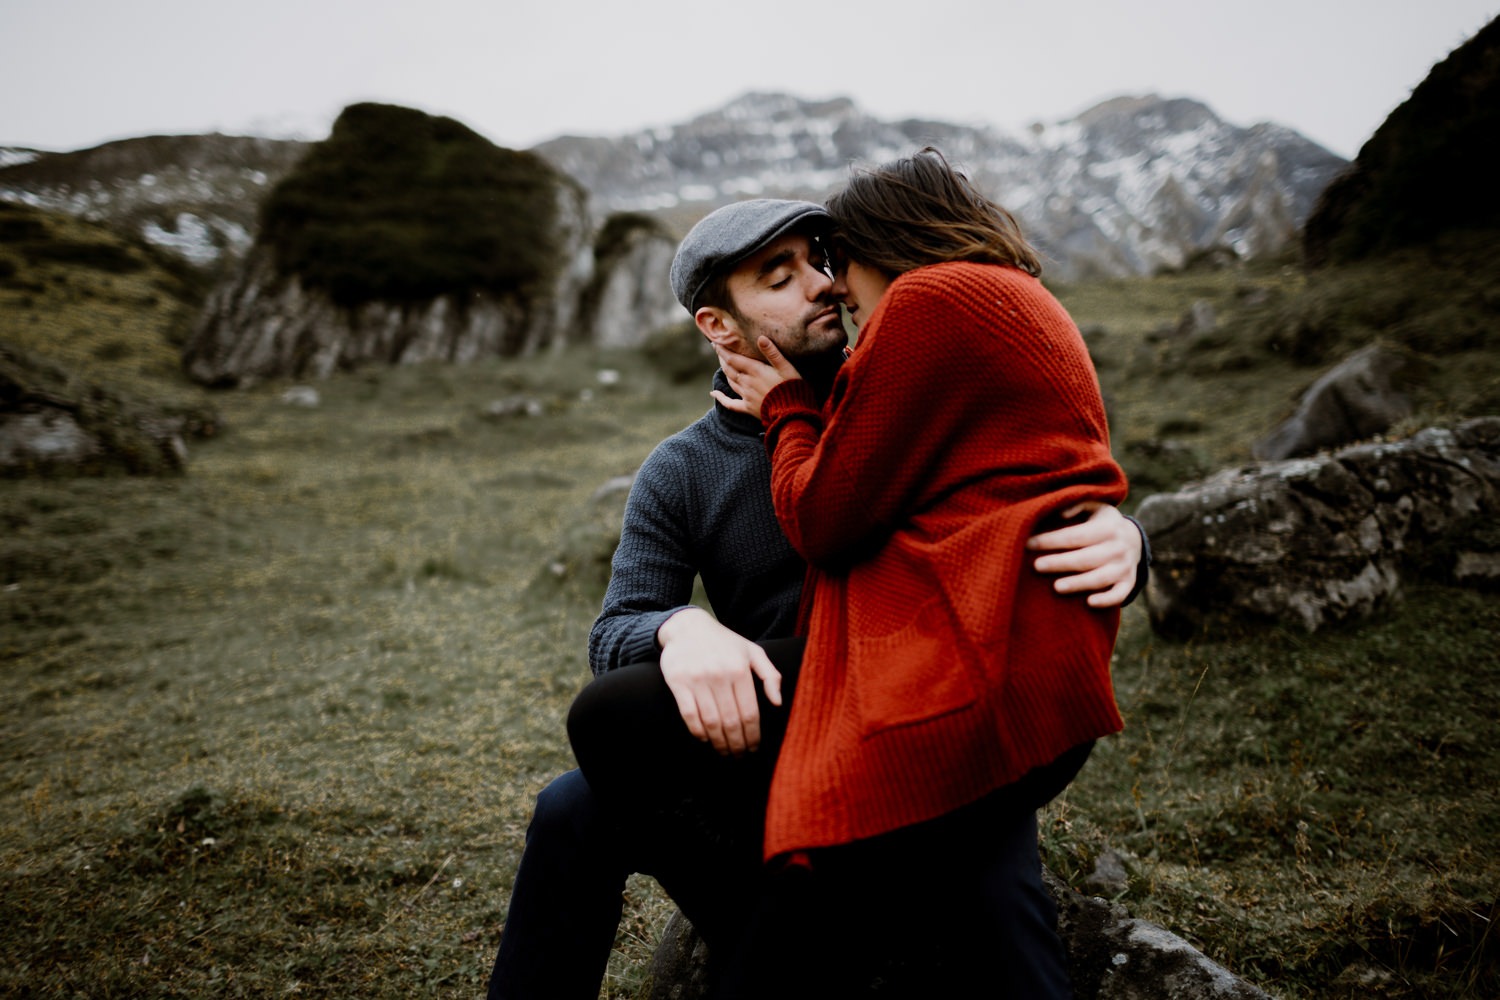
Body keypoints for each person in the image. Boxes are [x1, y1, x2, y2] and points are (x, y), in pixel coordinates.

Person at [487, 198, 1148, 999]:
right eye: (781, 276)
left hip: (932, 728)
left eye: (820, 262)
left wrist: (1124, 538)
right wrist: (680, 630)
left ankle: (802, 946)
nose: (824, 286)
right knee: (571, 809)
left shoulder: (907, 393)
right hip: (773, 745)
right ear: (718, 325)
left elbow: (1031, 483)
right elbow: (615, 631)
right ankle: (795, 931)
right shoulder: (682, 469)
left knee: (996, 897)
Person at [707, 149, 1129, 996]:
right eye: (797, 272)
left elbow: (825, 517)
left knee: (806, 923)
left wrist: (785, 408)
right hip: (1009, 633)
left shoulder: (935, 297)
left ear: (877, 243)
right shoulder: (1008, 294)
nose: (835, 288)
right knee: (990, 898)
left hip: (984, 642)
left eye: (834, 260)